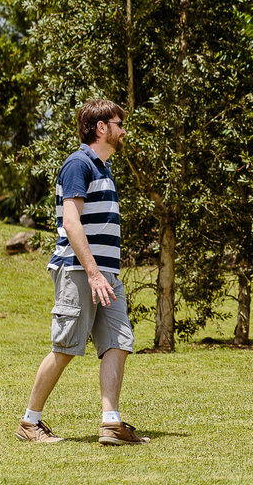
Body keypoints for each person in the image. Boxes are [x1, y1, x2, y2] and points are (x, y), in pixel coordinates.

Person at [16, 99, 150, 445]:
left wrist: (103, 273)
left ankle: (111, 423)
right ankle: (30, 422)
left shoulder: (104, 168)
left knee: (118, 341)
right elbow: (71, 222)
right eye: (119, 124)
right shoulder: (78, 164)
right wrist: (92, 273)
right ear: (102, 128)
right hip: (80, 270)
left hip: (106, 275)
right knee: (66, 347)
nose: (124, 131)